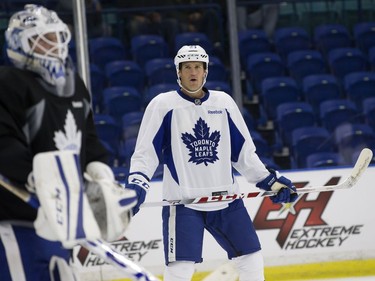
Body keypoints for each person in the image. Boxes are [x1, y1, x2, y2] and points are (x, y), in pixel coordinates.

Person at [126, 45, 297, 281]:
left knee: (252, 260)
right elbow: (145, 153)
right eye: (187, 67)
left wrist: (270, 181)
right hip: (183, 203)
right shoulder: (163, 105)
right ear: (179, 71)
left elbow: (244, 154)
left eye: (198, 67)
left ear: (205, 71)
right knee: (180, 269)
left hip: (227, 200)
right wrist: (138, 184)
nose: (193, 72)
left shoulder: (223, 102)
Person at [0, 5, 136, 281]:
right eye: (41, 39)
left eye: (56, 37)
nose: (52, 46)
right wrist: (36, 179)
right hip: (16, 217)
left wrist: (98, 169)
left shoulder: (75, 85)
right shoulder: (8, 82)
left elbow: (88, 139)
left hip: (60, 219)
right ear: (18, 43)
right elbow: (4, 144)